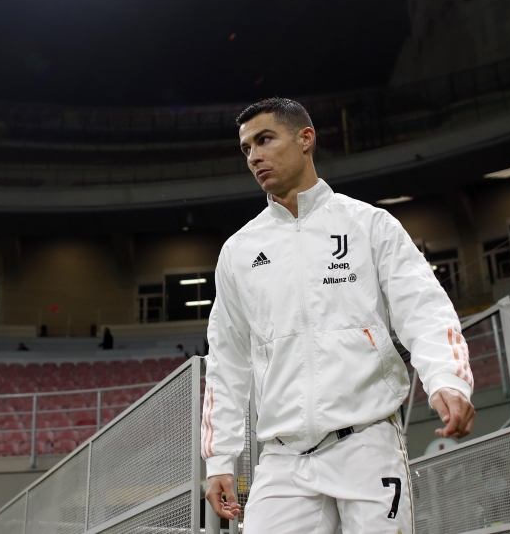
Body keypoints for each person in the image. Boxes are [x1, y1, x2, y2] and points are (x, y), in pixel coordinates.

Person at [203, 97, 475, 534]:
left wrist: (446, 378)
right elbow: (226, 361)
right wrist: (220, 458)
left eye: (265, 139)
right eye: (246, 148)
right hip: (282, 459)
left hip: (367, 444)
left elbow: (424, 309)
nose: (254, 156)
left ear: (305, 139)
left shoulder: (369, 225)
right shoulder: (238, 251)